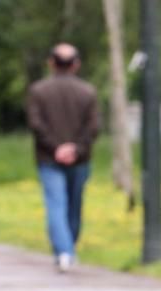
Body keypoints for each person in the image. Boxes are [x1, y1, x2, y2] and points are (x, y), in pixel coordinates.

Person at [26, 43, 99, 273]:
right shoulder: (88, 92)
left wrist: (57, 148)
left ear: (51, 63)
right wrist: (75, 149)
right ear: (76, 64)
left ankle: (64, 251)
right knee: (74, 206)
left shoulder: (38, 91)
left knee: (56, 205)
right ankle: (68, 249)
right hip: (80, 159)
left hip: (49, 158)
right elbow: (94, 126)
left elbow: (36, 124)